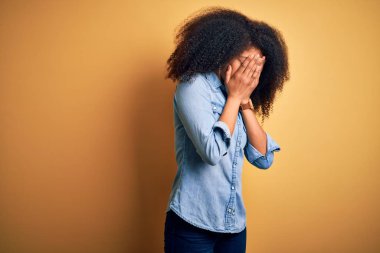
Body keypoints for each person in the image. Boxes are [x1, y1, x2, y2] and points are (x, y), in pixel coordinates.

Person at [163, 6, 290, 253]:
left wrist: (244, 103)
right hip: (192, 224)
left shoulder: (240, 97)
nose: (248, 72)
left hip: (233, 227)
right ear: (222, 52)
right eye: (243, 62)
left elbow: (264, 159)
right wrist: (234, 98)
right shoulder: (193, 87)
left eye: (255, 66)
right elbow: (211, 152)